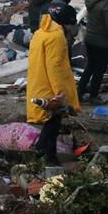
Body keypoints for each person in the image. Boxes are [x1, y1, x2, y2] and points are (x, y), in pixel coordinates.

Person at [26, 11, 81, 166]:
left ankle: (47, 155)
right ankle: (43, 155)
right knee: (52, 123)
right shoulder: (56, 37)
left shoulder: (40, 32)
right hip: (50, 87)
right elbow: (54, 67)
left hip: (39, 81)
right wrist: (60, 93)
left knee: (52, 123)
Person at [79, 0, 108, 103]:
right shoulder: (105, 4)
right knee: (99, 69)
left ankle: (79, 93)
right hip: (102, 41)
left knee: (90, 66)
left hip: (89, 39)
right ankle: (93, 96)